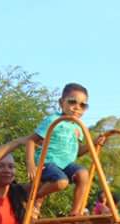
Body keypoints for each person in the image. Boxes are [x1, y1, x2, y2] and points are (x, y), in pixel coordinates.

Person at [26, 83, 103, 216]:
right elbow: (31, 140)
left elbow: (76, 152)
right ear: (61, 103)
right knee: (62, 182)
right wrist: (31, 164)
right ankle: (35, 198)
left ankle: (75, 211)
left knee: (83, 174)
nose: (77, 107)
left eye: (83, 105)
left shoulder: (78, 127)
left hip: (65, 165)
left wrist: (93, 144)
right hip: (47, 162)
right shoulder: (53, 120)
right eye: (72, 102)